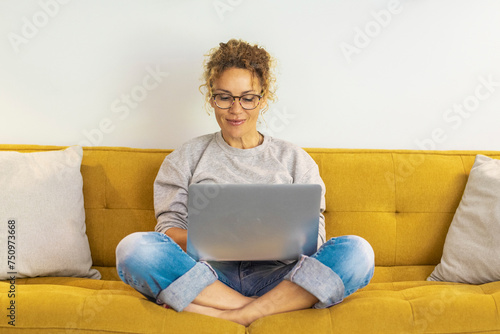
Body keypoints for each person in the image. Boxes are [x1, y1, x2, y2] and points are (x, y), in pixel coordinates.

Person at [116, 39, 375, 326]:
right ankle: (260, 309)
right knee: (133, 249)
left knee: (358, 251)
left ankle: (231, 313)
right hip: (208, 277)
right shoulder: (185, 158)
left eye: (247, 97)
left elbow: (316, 242)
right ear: (211, 98)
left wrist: (275, 241)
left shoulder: (294, 159)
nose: (235, 109)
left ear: (263, 98)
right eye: (224, 97)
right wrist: (221, 241)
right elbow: (168, 232)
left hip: (281, 278)